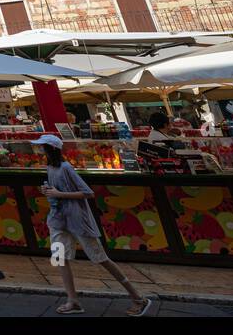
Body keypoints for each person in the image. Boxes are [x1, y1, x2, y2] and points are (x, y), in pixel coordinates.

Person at [34, 134, 150, 316]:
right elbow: (56, 190)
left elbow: (87, 193)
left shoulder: (66, 168)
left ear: (51, 149)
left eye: (42, 147)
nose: (39, 149)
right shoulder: (50, 167)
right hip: (57, 220)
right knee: (59, 258)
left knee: (100, 258)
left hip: (77, 220)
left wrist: (59, 194)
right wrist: (47, 191)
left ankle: (138, 298)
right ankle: (72, 300)